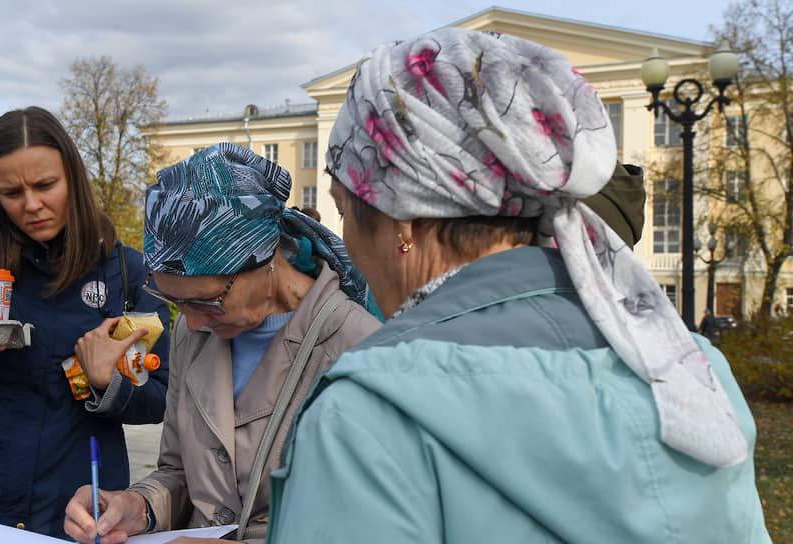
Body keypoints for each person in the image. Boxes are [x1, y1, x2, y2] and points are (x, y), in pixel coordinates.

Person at [266, 28, 770, 543]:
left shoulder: (366, 418)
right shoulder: (694, 372)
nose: (345, 234)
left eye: (345, 206)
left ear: (401, 218)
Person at [63, 143, 382, 544]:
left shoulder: (359, 346)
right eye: (175, 301)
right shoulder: (194, 333)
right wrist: (137, 507)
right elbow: (179, 472)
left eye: (207, 301)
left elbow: (376, 522)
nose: (193, 321)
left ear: (265, 259)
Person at [0, 106, 171, 543]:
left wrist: (108, 383)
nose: (32, 205)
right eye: (11, 192)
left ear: (73, 177)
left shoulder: (124, 272)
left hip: (80, 516)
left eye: (46, 185)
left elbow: (162, 397)